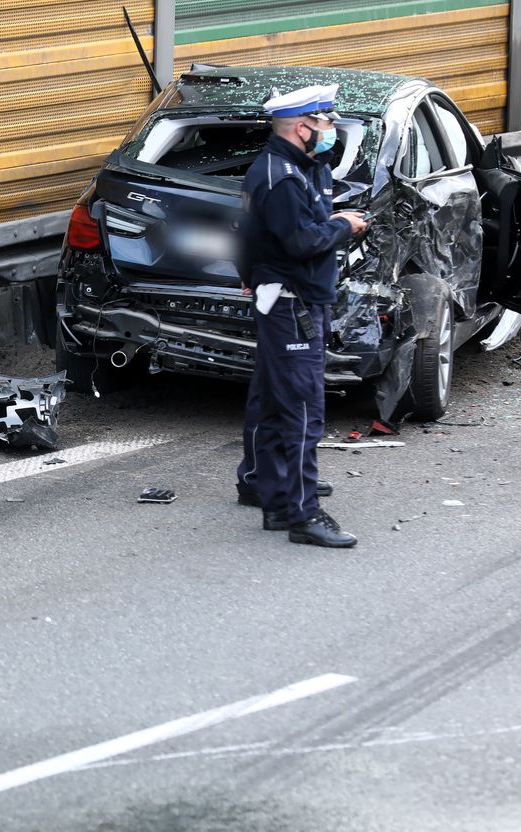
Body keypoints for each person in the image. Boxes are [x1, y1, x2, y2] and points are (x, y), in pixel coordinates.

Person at [235, 85, 369, 548]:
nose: (331, 130)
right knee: (303, 409)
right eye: (326, 122)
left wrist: (250, 272)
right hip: (292, 306)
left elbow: (250, 233)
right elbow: (302, 242)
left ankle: (276, 499)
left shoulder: (294, 167)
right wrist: (342, 226)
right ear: (302, 127)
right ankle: (302, 515)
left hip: (287, 300)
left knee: (275, 403)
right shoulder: (282, 177)